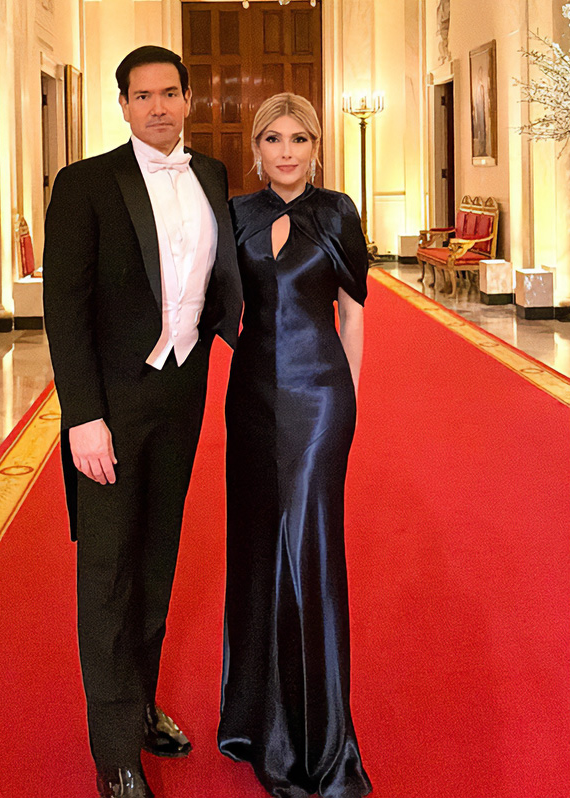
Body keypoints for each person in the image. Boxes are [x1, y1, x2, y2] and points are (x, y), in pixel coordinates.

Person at [43, 46, 242, 798]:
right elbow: (63, 311)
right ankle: (114, 754)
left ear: (188, 99)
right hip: (111, 412)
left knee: (157, 561)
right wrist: (83, 418)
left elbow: (224, 280)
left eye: (169, 93)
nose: (157, 107)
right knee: (108, 572)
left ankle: (141, 706)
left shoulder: (214, 176)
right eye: (142, 95)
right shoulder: (87, 183)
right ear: (122, 106)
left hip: (182, 399)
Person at [217, 93, 373, 798]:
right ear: (257, 148)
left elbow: (354, 315)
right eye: (274, 139)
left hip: (318, 400)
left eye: (299, 139)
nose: (286, 151)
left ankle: (319, 738)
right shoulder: (236, 214)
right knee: (255, 549)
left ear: (316, 147)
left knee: (307, 551)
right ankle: (256, 722)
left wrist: (350, 403)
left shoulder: (338, 211)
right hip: (249, 400)